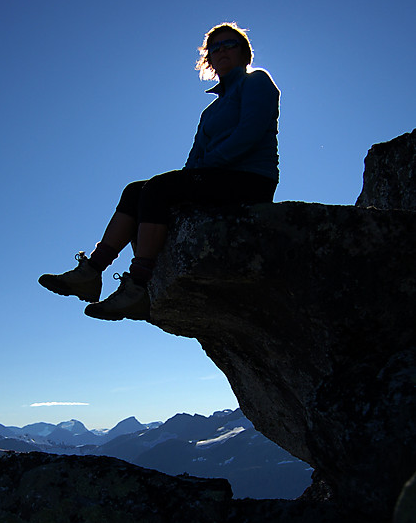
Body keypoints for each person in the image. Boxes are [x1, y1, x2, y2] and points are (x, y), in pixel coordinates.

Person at [38, 21, 280, 321]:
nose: (221, 51)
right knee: (137, 190)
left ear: (245, 54)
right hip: (216, 177)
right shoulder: (210, 111)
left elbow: (250, 134)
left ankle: (138, 287)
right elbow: (195, 159)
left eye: (230, 45)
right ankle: (91, 271)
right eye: (215, 48)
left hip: (251, 180)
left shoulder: (257, 81)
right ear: (209, 60)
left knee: (158, 188)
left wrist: (196, 173)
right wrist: (190, 178)